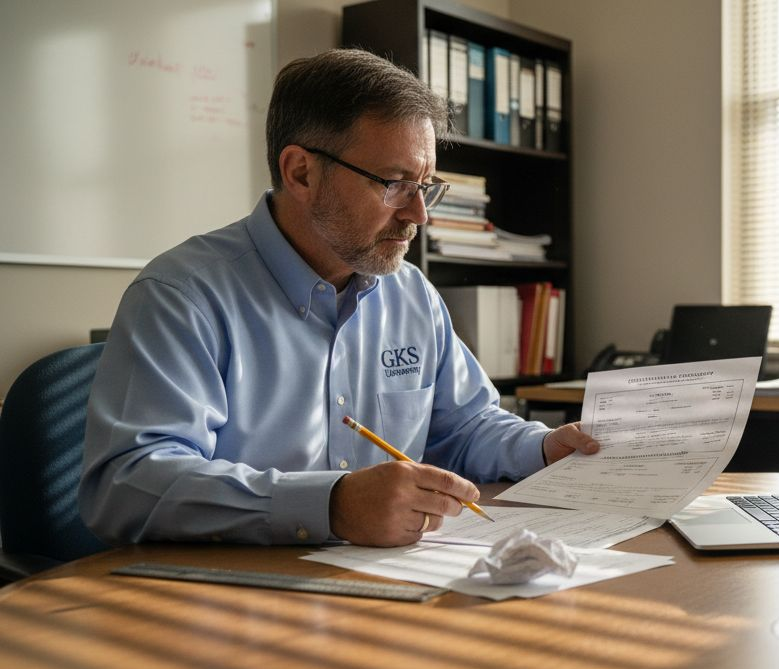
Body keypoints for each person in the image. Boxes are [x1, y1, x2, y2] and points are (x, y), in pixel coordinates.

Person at [79, 49, 597, 548]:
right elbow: (128, 483)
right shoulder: (182, 296)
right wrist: (330, 506)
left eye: (425, 186)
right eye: (394, 183)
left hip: (384, 588)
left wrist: (544, 446)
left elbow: (464, 426)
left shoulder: (410, 294)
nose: (418, 214)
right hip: (229, 605)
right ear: (300, 172)